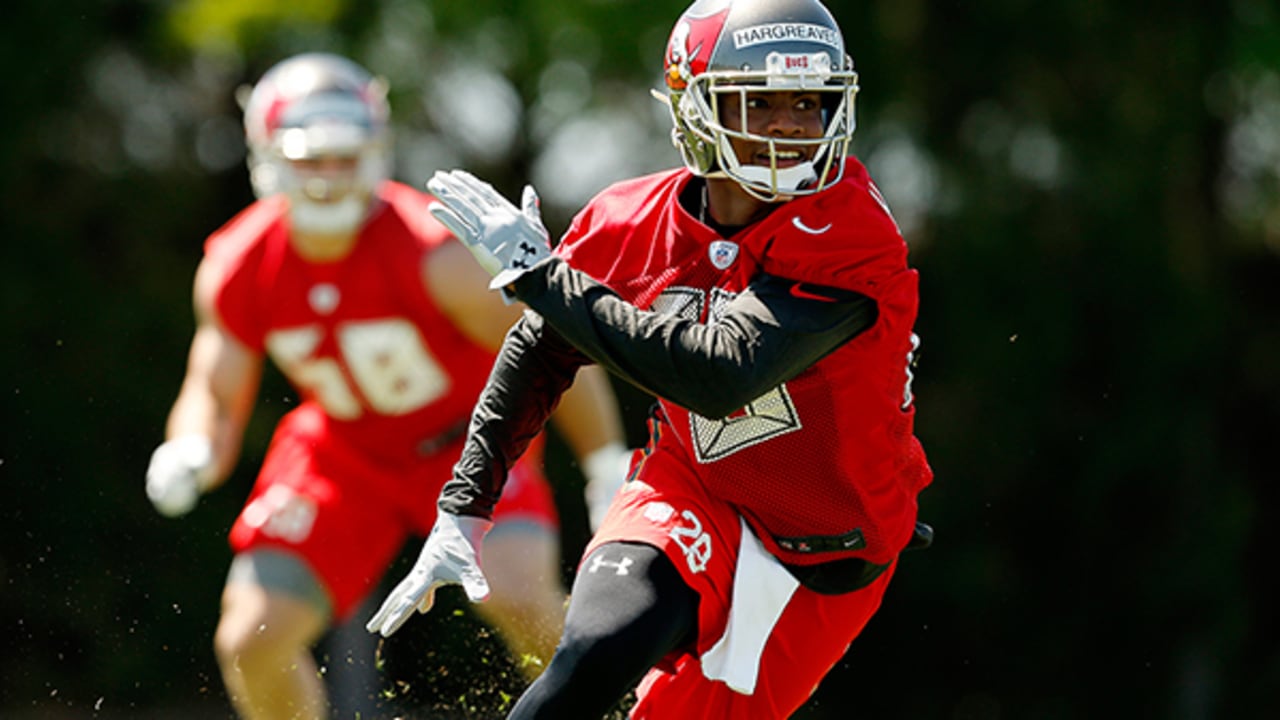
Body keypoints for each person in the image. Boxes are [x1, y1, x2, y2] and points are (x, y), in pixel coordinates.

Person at [366, 0, 935, 717]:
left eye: (808, 101)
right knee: (592, 656)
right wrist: (464, 507)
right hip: (693, 488)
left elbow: (722, 374)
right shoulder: (627, 219)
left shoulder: (849, 225)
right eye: (761, 101)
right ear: (693, 105)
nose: (792, 123)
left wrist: (543, 279)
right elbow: (542, 351)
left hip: (824, 552)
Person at [144, 52, 630, 720]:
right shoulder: (238, 263)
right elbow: (213, 387)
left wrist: (606, 464)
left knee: (519, 597)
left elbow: (553, 347)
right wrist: (191, 447)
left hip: (468, 440)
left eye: (345, 156)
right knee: (251, 637)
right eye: (310, 158)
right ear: (267, 157)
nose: (329, 176)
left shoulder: (432, 251)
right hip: (345, 451)